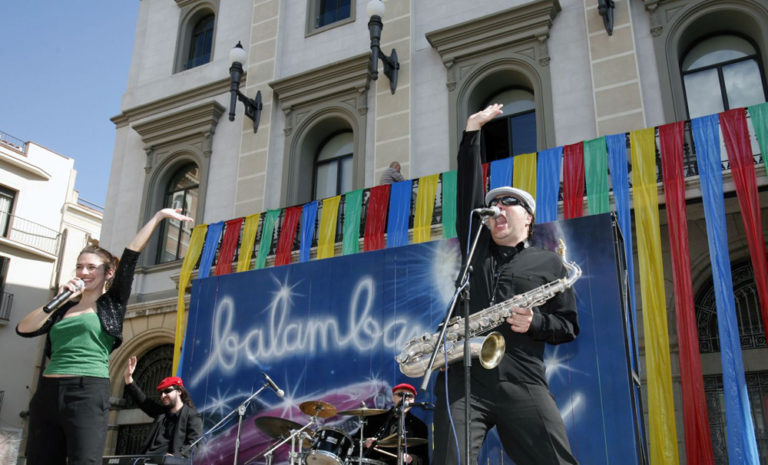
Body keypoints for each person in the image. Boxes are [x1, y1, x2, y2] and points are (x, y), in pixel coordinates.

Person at [431, 104, 579, 465]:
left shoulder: (551, 263)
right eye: (493, 203)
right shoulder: (476, 251)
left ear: (527, 218)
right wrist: (471, 134)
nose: (497, 207)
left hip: (523, 378)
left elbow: (569, 326)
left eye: (508, 202)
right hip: (466, 382)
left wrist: (536, 322)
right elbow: (467, 191)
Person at [16, 208, 194, 465]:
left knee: (84, 460)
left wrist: (158, 217)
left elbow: (131, 254)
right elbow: (25, 329)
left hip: (86, 391)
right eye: (79, 267)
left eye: (91, 267)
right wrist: (55, 301)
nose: (84, 272)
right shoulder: (63, 307)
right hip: (48, 392)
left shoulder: (112, 302)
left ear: (108, 273)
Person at [123, 356, 202, 458]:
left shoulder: (191, 415)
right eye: (161, 393)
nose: (163, 396)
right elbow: (143, 401)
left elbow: (194, 442)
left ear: (179, 391)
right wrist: (128, 379)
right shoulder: (161, 413)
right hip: (147, 459)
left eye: (167, 391)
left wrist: (176, 457)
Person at [357, 383, 429, 465]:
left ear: (413, 401)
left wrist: (411, 458)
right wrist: (364, 442)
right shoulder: (375, 419)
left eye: (410, 396)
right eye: (401, 395)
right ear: (393, 398)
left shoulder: (419, 426)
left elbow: (423, 459)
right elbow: (353, 442)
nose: (405, 399)